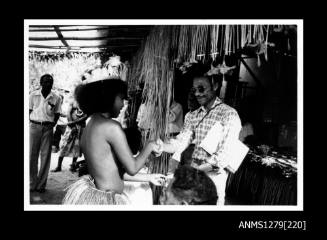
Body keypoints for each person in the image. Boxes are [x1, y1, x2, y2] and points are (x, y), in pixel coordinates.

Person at [62, 78, 162, 205]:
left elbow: (112, 171)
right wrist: (150, 145)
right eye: (120, 98)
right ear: (108, 98)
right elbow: (133, 168)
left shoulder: (90, 125)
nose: (123, 104)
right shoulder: (111, 127)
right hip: (109, 200)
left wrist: (149, 177)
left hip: (97, 195)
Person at [159, 74, 242, 205]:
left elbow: (222, 158)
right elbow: (181, 141)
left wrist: (193, 172)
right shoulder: (192, 115)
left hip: (213, 178)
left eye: (201, 89)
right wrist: (161, 146)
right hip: (195, 173)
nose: (197, 94)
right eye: (194, 90)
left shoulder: (229, 114)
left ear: (215, 85)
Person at [29, 74, 62, 193]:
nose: (49, 84)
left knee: (45, 157)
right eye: (46, 81)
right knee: (32, 156)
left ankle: (41, 185)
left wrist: (53, 124)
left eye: (51, 82)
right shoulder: (33, 95)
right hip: (34, 126)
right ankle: (32, 184)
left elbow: (57, 113)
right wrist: (33, 122)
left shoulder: (56, 97)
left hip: (48, 128)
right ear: (41, 83)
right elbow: (28, 110)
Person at [51, 97, 87, 172]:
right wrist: (72, 125)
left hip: (81, 128)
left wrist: (74, 123)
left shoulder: (87, 103)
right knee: (64, 145)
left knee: (77, 147)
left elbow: (86, 116)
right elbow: (68, 113)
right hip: (71, 127)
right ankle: (58, 166)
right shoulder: (73, 101)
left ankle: (73, 166)